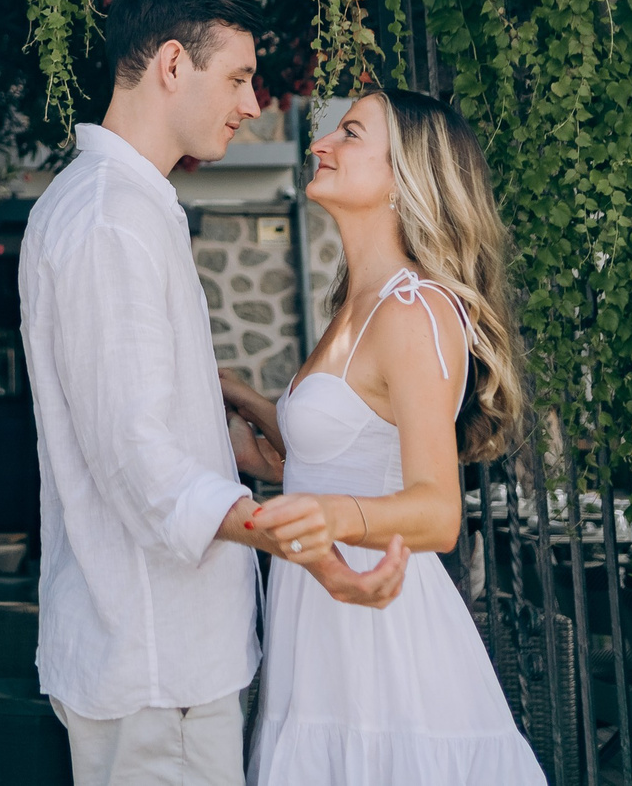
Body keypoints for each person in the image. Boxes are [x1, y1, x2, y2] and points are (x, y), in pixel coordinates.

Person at [21, 0, 408, 786]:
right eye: (236, 76)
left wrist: (219, 406)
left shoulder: (128, 207)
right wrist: (296, 539)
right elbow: (137, 459)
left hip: (169, 661)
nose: (250, 103)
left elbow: (142, 418)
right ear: (171, 64)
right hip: (158, 665)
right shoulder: (108, 221)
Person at [227, 88, 547, 786]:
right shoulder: (357, 302)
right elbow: (352, 446)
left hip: (379, 630)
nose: (321, 143)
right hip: (318, 617)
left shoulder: (415, 307)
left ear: (407, 175)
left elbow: (437, 512)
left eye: (349, 133)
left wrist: (332, 517)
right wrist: (248, 405)